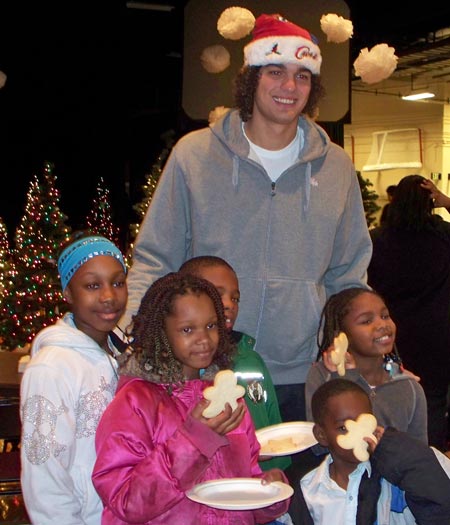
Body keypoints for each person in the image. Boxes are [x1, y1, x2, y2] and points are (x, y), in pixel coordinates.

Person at [119, 13, 372, 423]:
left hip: (302, 374)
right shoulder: (195, 155)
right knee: (210, 485)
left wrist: (374, 354)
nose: (289, 87)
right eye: (275, 71)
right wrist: (131, 338)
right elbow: (155, 258)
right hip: (207, 369)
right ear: (251, 78)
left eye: (302, 76)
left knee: (293, 484)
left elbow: (349, 275)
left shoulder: (336, 167)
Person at [92, 272, 290, 525]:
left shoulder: (229, 396)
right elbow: (126, 501)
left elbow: (245, 482)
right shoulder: (135, 402)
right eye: (187, 329)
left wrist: (269, 494)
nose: (204, 339)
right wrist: (193, 441)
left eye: (211, 326)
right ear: (161, 332)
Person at [20, 232, 128, 525]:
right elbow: (44, 477)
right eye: (93, 285)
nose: (108, 296)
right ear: (67, 293)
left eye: (118, 282)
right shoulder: (51, 368)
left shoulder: (124, 356)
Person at [179, 255, 291, 472]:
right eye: (217, 293)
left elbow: (272, 424)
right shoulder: (189, 368)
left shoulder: (251, 360)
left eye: (235, 298)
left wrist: (278, 471)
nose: (229, 304)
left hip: (263, 483)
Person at [289, 378, 450, 525]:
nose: (359, 433)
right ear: (321, 435)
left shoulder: (398, 471)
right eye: (343, 428)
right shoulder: (308, 490)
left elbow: (440, 504)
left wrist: (395, 448)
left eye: (364, 422)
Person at [368, 175, 450, 452]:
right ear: (431, 202)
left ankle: (394, 457)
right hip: (438, 335)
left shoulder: (378, 240)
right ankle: (434, 461)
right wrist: (446, 201)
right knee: (434, 400)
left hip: (391, 337)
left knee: (393, 393)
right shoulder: (442, 236)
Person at [305, 287, 428, 444]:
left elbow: (420, 453)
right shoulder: (323, 376)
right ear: (341, 335)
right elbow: (320, 444)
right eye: (367, 321)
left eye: (385, 316)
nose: (382, 324)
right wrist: (348, 376)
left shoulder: (408, 386)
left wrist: (388, 445)